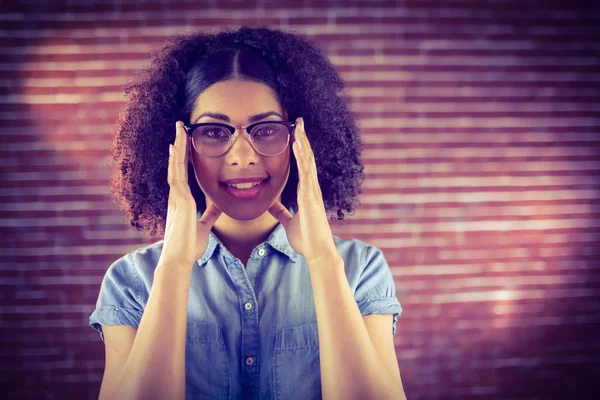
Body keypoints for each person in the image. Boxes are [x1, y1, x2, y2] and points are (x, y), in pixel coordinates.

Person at [88, 25, 406, 400]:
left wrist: (322, 259)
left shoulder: (360, 269)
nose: (242, 155)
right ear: (178, 145)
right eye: (213, 131)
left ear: (302, 140)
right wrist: (174, 265)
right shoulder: (131, 281)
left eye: (266, 128)